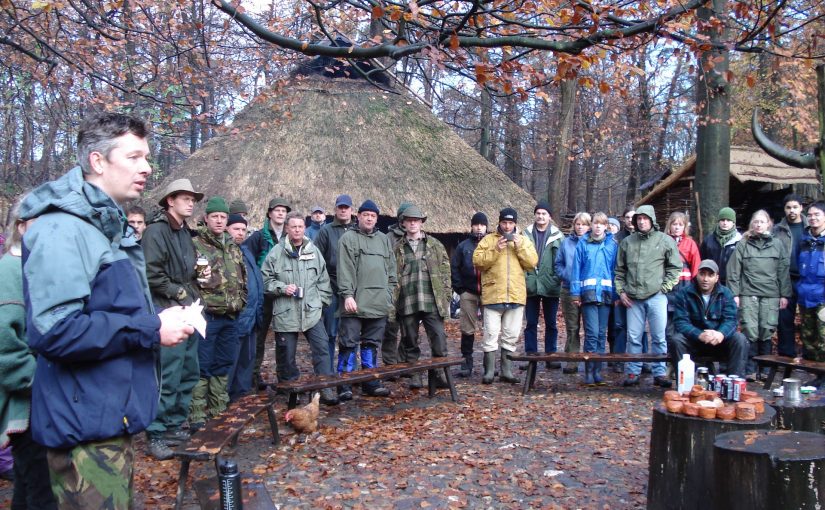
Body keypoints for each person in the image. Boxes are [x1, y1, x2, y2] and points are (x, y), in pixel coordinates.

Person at [19, 112, 193, 507]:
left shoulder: (104, 227)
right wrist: (150, 328)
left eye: (146, 157)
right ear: (98, 161)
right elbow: (56, 331)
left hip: (108, 418)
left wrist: (155, 323)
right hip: (84, 428)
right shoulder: (63, 229)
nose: (147, 167)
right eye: (134, 157)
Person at [141, 178, 205, 460]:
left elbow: (188, 271)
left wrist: (200, 276)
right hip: (166, 311)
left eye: (193, 199)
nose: (191, 203)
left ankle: (174, 425)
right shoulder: (156, 232)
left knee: (188, 372)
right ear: (170, 200)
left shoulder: (184, 232)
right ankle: (156, 432)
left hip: (189, 310)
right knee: (167, 374)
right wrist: (179, 292)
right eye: (186, 198)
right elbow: (151, 274)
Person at [0, 200, 57, 509]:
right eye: (38, 222)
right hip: (28, 403)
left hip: (39, 400)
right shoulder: (10, 271)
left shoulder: (34, 268)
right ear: (20, 227)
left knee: (27, 486)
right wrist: (40, 383)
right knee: (43, 491)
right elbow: (5, 349)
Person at [261, 212, 338, 405]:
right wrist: (282, 288)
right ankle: (289, 392)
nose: (297, 230)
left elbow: (323, 280)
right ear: (287, 228)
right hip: (286, 312)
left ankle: (325, 387)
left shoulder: (313, 251)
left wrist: (320, 303)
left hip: (311, 311)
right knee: (286, 355)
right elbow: (265, 281)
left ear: (305, 228)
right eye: (293, 226)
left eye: (300, 226)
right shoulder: (276, 253)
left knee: (322, 349)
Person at [191, 196, 248, 428]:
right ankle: (197, 416)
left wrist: (241, 301)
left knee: (223, 364)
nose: (219, 220)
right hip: (207, 317)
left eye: (223, 217)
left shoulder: (233, 247)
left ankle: (218, 410)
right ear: (206, 218)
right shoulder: (196, 245)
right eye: (214, 216)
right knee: (202, 366)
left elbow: (242, 278)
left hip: (231, 316)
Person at [614, 204, 681, 388]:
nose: (642, 222)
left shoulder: (665, 241)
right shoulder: (627, 242)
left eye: (645, 218)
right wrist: (621, 292)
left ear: (652, 220)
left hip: (656, 296)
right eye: (639, 219)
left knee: (659, 337)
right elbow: (619, 271)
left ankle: (660, 373)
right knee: (634, 337)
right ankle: (633, 372)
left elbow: (675, 267)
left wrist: (665, 287)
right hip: (633, 298)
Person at [336, 199, 395, 398]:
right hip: (354, 303)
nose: (369, 218)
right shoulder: (348, 239)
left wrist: (389, 293)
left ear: (376, 219)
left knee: (371, 343)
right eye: (366, 215)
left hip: (378, 303)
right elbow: (344, 269)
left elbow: (391, 269)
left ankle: (370, 381)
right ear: (358, 216)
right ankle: (345, 383)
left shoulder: (384, 240)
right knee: (348, 343)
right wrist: (347, 295)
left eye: (373, 216)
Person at [473, 207, 538, 384]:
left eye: (510, 223)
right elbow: (478, 262)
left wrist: (519, 247)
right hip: (493, 295)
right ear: (499, 223)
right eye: (504, 222)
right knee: (491, 334)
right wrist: (495, 249)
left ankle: (506, 371)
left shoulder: (524, 240)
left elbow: (532, 262)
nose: (507, 226)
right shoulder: (488, 240)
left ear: (515, 224)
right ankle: (489, 371)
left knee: (511, 335)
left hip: (515, 295)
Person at [726, 209, 791, 381]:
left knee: (767, 330)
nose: (759, 225)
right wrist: (735, 294)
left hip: (771, 294)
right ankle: (751, 369)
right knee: (750, 329)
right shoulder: (743, 244)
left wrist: (784, 294)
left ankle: (766, 369)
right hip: (748, 293)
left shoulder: (777, 244)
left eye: (762, 222)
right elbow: (733, 270)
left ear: (768, 224)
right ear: (751, 224)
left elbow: (783, 270)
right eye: (756, 222)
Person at [392, 205, 451, 389]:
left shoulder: (435, 245)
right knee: (409, 340)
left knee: (439, 338)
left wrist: (446, 295)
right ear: (403, 223)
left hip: (432, 300)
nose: (412, 223)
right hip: (407, 301)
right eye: (409, 220)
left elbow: (445, 270)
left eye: (416, 220)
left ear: (421, 223)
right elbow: (391, 275)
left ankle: (439, 373)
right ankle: (415, 374)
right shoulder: (397, 248)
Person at [668, 260, 749, 376]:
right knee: (676, 340)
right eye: (702, 274)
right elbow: (681, 322)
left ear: (716, 278)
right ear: (697, 275)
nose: (705, 279)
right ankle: (684, 382)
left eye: (710, 275)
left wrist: (721, 334)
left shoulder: (726, 293)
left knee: (740, 339)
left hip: (719, 342)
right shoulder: (684, 293)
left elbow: (731, 320)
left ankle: (734, 381)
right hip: (694, 342)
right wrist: (699, 334)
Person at [244, 197, 290, 389]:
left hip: (284, 294)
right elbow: (246, 261)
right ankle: (253, 376)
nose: (280, 213)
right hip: (263, 296)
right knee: (259, 338)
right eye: (277, 210)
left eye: (283, 211)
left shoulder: (290, 235)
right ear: (269, 213)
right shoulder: (258, 237)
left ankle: (285, 379)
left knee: (284, 337)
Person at [570, 212, 617, 385]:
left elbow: (615, 271)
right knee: (591, 333)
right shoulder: (583, 244)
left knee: (601, 334)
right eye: (595, 223)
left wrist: (616, 294)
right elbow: (576, 269)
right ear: (591, 226)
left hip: (606, 294)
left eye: (601, 224)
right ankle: (589, 372)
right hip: (588, 294)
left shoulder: (612, 245)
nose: (598, 226)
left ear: (606, 226)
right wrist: (575, 293)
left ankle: (598, 371)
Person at [315, 194, 357, 372]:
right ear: (335, 209)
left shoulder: (357, 231)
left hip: (353, 290)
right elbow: (317, 259)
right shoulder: (326, 231)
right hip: (331, 288)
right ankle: (328, 371)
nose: (343, 210)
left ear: (351, 210)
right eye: (340, 207)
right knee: (330, 333)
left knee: (351, 333)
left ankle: (349, 371)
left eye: (346, 207)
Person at [226, 214, 264, 401]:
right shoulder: (225, 252)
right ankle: (225, 401)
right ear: (227, 229)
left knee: (246, 361)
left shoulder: (246, 251)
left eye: (243, 230)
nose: (240, 233)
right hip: (236, 317)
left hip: (252, 316)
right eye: (236, 229)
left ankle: (241, 398)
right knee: (231, 362)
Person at [523, 200, 564, 369]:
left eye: (544, 214)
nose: (541, 216)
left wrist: (556, 278)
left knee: (551, 323)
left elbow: (561, 260)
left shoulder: (558, 236)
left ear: (549, 216)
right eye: (538, 213)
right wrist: (525, 278)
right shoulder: (525, 234)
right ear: (534, 215)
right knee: (531, 323)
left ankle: (551, 356)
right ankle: (531, 356)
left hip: (550, 284)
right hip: (531, 283)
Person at [450, 212, 488, 377]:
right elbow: (454, 267)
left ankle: (489, 364)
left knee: (491, 329)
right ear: (471, 226)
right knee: (467, 328)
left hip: (488, 292)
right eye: (476, 224)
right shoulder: (463, 246)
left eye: (482, 225)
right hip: (468, 291)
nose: (479, 228)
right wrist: (460, 288)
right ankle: (466, 361)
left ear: (486, 227)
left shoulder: (492, 244)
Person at [555, 212, 590, 374]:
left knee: (590, 327)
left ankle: (591, 359)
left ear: (589, 226)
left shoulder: (592, 242)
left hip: (588, 290)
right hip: (569, 288)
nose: (580, 227)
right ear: (574, 225)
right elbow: (558, 264)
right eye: (578, 224)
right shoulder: (566, 243)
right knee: (572, 327)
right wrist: (567, 275)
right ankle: (572, 360)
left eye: (584, 224)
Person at [773, 193, 807, 357]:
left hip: (807, 280)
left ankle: (811, 358)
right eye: (788, 207)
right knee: (784, 319)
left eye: (795, 207)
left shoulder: (810, 227)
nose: (792, 211)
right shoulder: (777, 230)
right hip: (785, 279)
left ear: (801, 208)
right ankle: (786, 357)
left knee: (810, 319)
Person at [797, 201, 825, 387]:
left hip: (823, 298)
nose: (813, 218)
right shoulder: (805, 241)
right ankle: (817, 375)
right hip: (805, 296)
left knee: (824, 339)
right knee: (809, 339)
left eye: (817, 215)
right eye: (810, 215)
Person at [381, 202, 412, 368]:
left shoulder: (417, 237)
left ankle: (403, 362)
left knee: (409, 329)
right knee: (390, 329)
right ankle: (390, 363)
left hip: (411, 289)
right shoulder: (388, 238)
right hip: (392, 289)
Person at [664, 211, 701, 340]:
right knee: (668, 327)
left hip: (685, 287)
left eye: (680, 224)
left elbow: (696, 267)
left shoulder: (690, 243)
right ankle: (669, 350)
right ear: (669, 225)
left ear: (685, 227)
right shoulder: (663, 241)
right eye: (674, 224)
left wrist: (696, 288)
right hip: (667, 288)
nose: (677, 227)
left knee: (683, 321)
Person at [700, 207, 742, 286]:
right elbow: (701, 261)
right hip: (711, 281)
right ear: (718, 222)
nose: (725, 223)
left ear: (733, 223)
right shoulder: (708, 240)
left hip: (732, 283)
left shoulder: (740, 242)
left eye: (728, 220)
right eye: (722, 220)